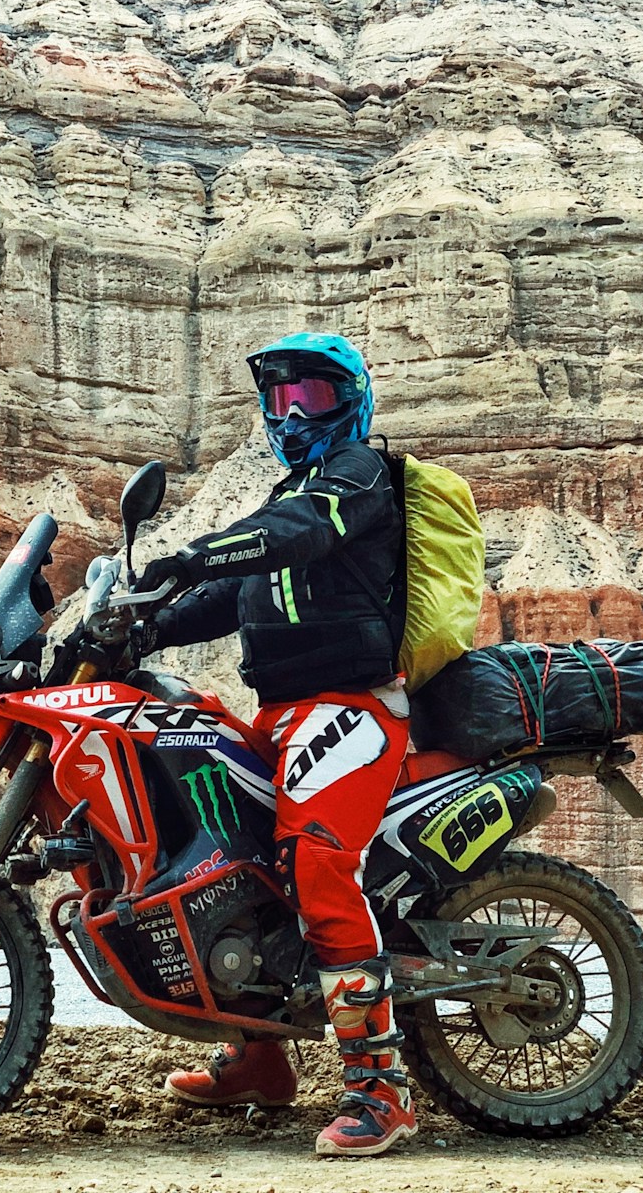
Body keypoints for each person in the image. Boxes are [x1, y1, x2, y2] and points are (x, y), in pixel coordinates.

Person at [134, 331, 416, 1158]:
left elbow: (295, 533)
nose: (292, 416)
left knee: (317, 860)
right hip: (286, 713)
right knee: (226, 854)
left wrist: (191, 556)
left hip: (354, 707)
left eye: (312, 397)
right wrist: (143, 625)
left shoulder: (357, 477)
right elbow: (231, 595)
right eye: (279, 399)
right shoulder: (292, 491)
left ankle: (380, 1089)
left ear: (351, 402)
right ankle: (260, 1059)